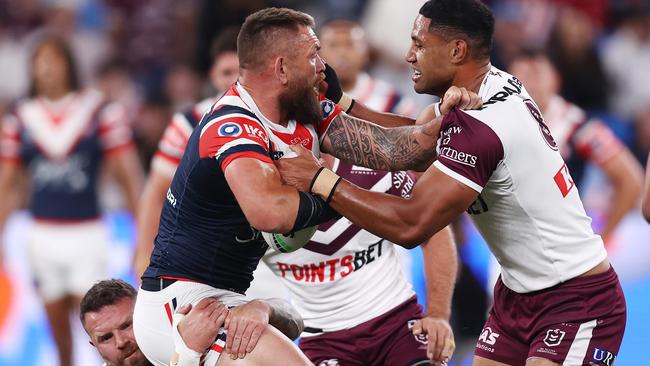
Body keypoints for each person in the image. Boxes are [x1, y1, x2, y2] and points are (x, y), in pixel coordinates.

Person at [275, 1, 627, 365]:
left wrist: (321, 181)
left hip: (575, 301)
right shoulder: (495, 87)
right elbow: (410, 144)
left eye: (419, 44)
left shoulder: (482, 128)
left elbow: (411, 224)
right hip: (516, 295)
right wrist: (341, 102)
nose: (409, 55)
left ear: (457, 50)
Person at [133, 7, 478, 365]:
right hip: (182, 304)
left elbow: (397, 150)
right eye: (313, 54)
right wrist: (336, 189)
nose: (323, 66)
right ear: (282, 68)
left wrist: (450, 118)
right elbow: (271, 212)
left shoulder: (302, 112)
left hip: (231, 295)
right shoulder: (233, 125)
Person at [0, 35, 143, 366]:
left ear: (70, 63)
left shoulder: (99, 111)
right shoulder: (20, 118)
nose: (48, 68)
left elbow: (129, 176)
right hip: (41, 235)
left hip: (89, 232)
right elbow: (6, 183)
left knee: (102, 327)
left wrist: (144, 231)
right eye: (40, 60)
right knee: (57, 331)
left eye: (54, 59)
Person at [133, 26, 240, 278]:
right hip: (201, 251)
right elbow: (156, 194)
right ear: (213, 75)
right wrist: (143, 257)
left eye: (240, 71)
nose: (233, 80)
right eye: (226, 72)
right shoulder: (189, 122)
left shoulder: (277, 119)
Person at [509, 50, 643, 243]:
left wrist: (603, 238)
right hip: (511, 240)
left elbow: (631, 181)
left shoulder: (578, 126)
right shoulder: (500, 123)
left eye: (536, 73)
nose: (528, 83)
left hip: (562, 242)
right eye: (520, 75)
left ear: (555, 80)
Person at [81, 279, 229, 366]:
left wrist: (251, 308)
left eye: (127, 325)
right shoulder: (191, 346)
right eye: (106, 338)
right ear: (94, 346)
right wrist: (187, 354)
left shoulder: (203, 332)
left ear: (145, 316)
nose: (121, 342)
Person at [318, 19, 416, 117]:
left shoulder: (393, 102)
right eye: (333, 45)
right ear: (317, 53)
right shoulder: (306, 98)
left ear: (366, 54)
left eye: (350, 44)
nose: (342, 53)